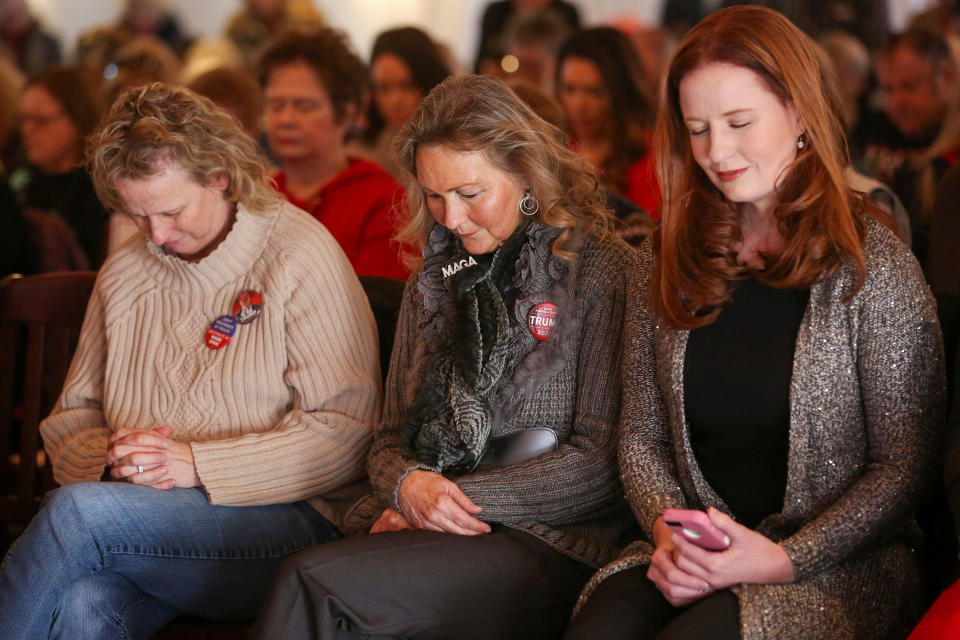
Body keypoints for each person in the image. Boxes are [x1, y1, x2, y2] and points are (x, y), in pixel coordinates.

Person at [566, 6, 945, 640]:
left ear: (799, 113)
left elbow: (903, 468)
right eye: (697, 129)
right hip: (697, 550)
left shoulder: (872, 267)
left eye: (740, 123)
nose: (717, 151)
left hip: (836, 564)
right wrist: (669, 529)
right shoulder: (663, 257)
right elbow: (641, 438)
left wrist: (784, 556)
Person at [253, 73, 639, 640]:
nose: (450, 219)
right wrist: (410, 488)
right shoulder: (433, 281)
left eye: (469, 194)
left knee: (317, 583)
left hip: (552, 541)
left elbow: (602, 461)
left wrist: (444, 503)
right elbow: (388, 440)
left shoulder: (601, 271)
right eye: (434, 195)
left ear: (527, 174)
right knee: (316, 581)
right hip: (436, 524)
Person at [0, 82, 381, 639]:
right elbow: (71, 416)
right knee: (85, 606)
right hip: (143, 520)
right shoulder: (126, 271)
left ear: (220, 176)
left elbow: (347, 434)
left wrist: (195, 465)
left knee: (75, 515)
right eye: (137, 215)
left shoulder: (298, 254)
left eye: (171, 211)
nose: (156, 234)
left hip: (289, 522)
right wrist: (116, 461)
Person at [258, 26, 409, 280]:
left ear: (348, 112)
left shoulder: (384, 203)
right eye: (275, 105)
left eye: (304, 106)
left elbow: (375, 313)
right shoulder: (258, 196)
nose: (285, 119)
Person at [8, 66, 107, 270]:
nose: (27, 130)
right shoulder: (16, 177)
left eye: (40, 120)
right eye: (23, 119)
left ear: (77, 119)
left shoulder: (101, 193)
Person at [555, 27, 660, 217]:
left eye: (595, 91)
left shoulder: (653, 157)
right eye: (570, 89)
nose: (579, 105)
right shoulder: (552, 148)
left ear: (621, 93)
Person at [352, 26, 450, 180]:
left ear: (432, 85)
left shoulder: (457, 150)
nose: (395, 101)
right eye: (384, 88)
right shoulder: (359, 152)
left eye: (407, 86)